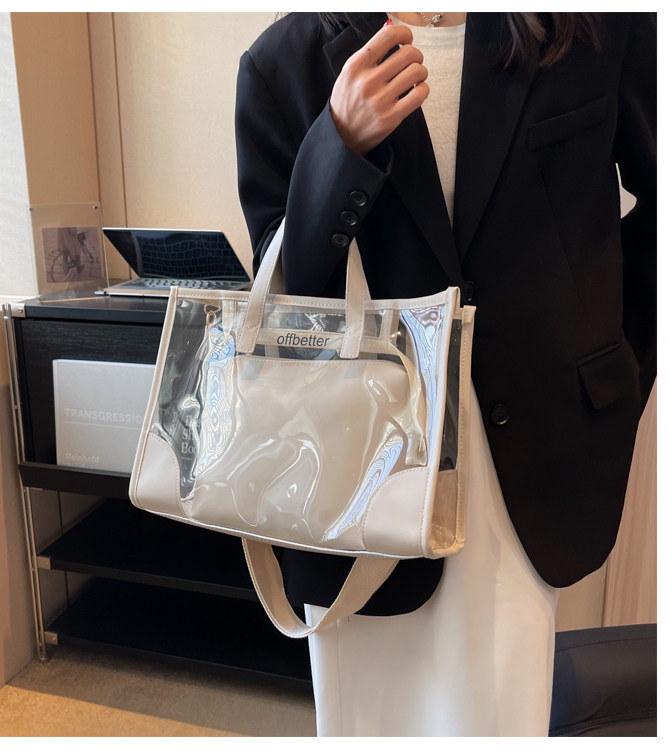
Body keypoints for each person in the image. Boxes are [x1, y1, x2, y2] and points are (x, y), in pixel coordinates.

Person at [234, 12, 656, 736]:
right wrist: (338, 147)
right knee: (368, 718)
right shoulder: (285, 61)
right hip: (357, 464)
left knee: (500, 709)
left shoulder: (594, 27)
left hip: (528, 458)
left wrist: (622, 354)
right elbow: (284, 302)